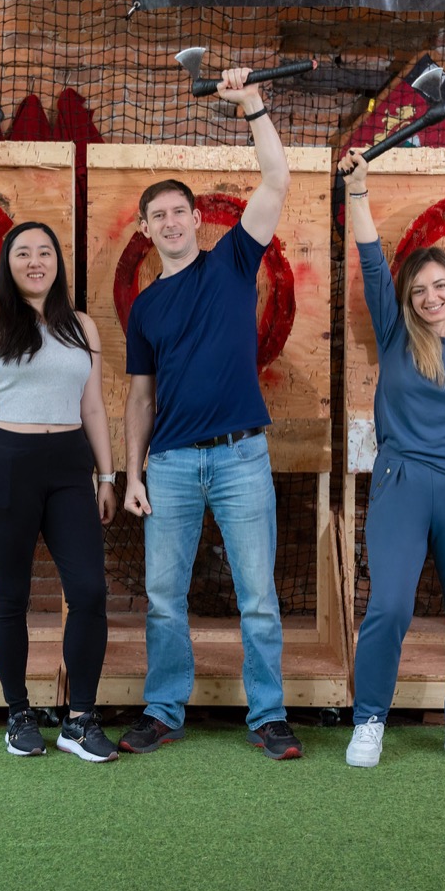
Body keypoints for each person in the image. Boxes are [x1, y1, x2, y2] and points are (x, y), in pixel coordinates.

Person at [118, 67, 303, 760]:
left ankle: (269, 715)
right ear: (145, 230)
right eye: (158, 216)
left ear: (197, 219)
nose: (170, 222)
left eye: (179, 211)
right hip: (168, 466)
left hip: (240, 457)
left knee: (258, 597)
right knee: (164, 597)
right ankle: (163, 710)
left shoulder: (232, 262)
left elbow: (276, 180)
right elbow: (140, 398)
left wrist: (251, 103)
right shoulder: (144, 309)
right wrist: (132, 473)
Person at [0, 147, 119, 763]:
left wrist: (107, 476)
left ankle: (80, 718)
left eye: (44, 252)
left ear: (57, 264)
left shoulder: (82, 327)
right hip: (8, 461)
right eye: (22, 253)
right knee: (11, 595)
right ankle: (18, 714)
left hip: (70, 466)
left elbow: (93, 407)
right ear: (9, 266)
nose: (35, 261)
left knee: (89, 591)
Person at [337, 152, 445, 769]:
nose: (431, 297)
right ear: (408, 301)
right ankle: (369, 721)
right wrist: (358, 190)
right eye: (419, 291)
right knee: (389, 607)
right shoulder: (394, 336)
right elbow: (371, 260)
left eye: (439, 286)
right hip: (402, 483)